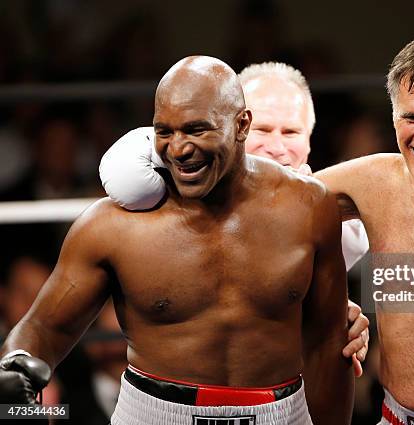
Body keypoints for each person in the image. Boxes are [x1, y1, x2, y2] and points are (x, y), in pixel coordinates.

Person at [93, 36, 414, 424]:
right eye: (412, 117)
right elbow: (259, 205)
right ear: (393, 116)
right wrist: (162, 155)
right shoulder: (370, 182)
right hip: (397, 417)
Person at [0, 56, 354, 425]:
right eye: (165, 132)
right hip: (152, 412)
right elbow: (42, 329)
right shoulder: (113, 225)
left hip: (281, 412)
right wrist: (16, 378)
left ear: (242, 125)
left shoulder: (308, 208)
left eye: (197, 130)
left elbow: (328, 343)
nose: (179, 149)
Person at [99, 61, 370, 373]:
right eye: (264, 130)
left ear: (309, 141)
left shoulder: (330, 219)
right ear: (237, 127)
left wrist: (337, 315)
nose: (278, 148)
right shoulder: (172, 189)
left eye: (291, 132)